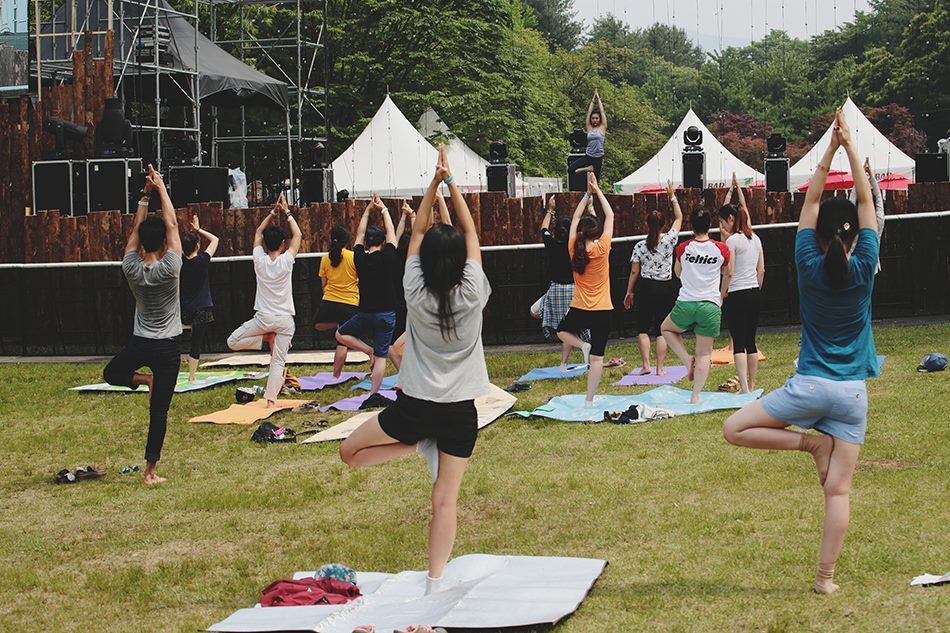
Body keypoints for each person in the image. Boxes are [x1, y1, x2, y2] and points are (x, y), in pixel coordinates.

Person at [723, 109, 878, 595]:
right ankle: (825, 581)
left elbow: (810, 199)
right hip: (851, 396)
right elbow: (866, 199)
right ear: (856, 234)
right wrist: (851, 148)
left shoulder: (807, 259)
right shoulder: (866, 262)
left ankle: (811, 443)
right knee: (839, 491)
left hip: (809, 389)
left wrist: (828, 149)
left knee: (734, 428)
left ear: (819, 234)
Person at [340, 144, 491, 598]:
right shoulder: (474, 292)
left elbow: (419, 233)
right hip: (460, 413)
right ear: (462, 259)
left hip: (416, 409)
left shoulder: (413, 289)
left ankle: (414, 443)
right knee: (444, 501)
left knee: (349, 453)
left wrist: (432, 184)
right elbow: (469, 230)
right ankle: (434, 584)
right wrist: (451, 184)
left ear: (423, 261)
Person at [102, 165, 182, 485]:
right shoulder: (171, 267)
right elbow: (173, 224)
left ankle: (141, 379)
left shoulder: (130, 266)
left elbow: (134, 233)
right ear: (164, 242)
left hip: (140, 342)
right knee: (158, 412)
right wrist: (161, 187)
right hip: (167, 347)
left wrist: (145, 195)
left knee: (112, 374)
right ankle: (150, 472)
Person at [227, 193, 302, 407]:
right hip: (284, 320)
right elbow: (298, 234)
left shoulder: (259, 260)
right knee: (278, 362)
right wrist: (286, 212)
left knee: (232, 342)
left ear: (267, 245)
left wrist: (272, 212)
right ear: (283, 243)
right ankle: (270, 400)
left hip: (264, 319)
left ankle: (264, 340)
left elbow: (259, 232)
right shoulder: (287, 260)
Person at [660, 204, 730, 404]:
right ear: (710, 225)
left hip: (687, 302)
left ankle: (685, 359)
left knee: (666, 329)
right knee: (705, 353)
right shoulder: (721, 249)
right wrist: (719, 294)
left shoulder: (683, 248)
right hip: (709, 304)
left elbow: (678, 272)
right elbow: (728, 273)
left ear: (691, 226)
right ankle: (696, 395)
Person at [557, 173, 615, 405]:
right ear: (596, 231)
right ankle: (589, 400)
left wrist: (586, 195)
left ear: (580, 231)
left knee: (562, 331)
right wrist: (597, 191)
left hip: (580, 306)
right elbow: (609, 214)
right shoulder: (603, 247)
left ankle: (583, 345)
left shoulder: (574, 246)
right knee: (597, 359)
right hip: (603, 309)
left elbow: (575, 216)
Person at [333, 193, 398, 401]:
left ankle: (366, 350)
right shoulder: (389, 256)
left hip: (365, 312)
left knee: (340, 335)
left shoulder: (359, 258)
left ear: (368, 243)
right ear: (382, 242)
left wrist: (368, 210)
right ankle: (373, 394)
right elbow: (392, 233)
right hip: (386, 314)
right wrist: (384, 210)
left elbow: (359, 235)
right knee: (380, 357)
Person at [623, 180, 683, 375]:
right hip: (665, 287)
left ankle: (646, 365)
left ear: (647, 224)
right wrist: (672, 196)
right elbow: (680, 217)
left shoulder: (640, 245)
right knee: (661, 329)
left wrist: (629, 291)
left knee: (642, 327)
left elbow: (634, 272)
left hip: (646, 287)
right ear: (663, 224)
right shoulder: (670, 240)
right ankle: (659, 368)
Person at [390, 192, 451, 370]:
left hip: (433, 314)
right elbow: (433, 227)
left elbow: (423, 230)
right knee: (396, 350)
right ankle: (411, 383)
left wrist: (432, 203)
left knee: (397, 350)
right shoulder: (424, 260)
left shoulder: (419, 260)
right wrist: (437, 201)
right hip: (426, 315)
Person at [718, 172, 764, 393]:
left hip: (737, 293)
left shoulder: (733, 241)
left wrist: (721, 293)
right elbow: (761, 269)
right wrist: (757, 288)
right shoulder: (756, 239)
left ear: (732, 220)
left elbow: (729, 271)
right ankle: (752, 384)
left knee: (738, 341)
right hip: (754, 292)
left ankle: (745, 387)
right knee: (751, 341)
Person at [529, 194, 590, 357]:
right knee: (571, 328)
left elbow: (543, 229)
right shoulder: (578, 246)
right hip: (575, 290)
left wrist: (550, 211)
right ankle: (579, 351)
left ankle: (578, 350)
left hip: (556, 291)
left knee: (540, 315)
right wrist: (589, 207)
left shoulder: (552, 244)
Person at [313, 224, 360, 371]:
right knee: (343, 342)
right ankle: (336, 374)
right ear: (347, 241)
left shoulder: (325, 259)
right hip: (349, 302)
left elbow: (323, 284)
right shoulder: (353, 257)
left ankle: (336, 374)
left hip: (330, 299)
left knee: (317, 324)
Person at [179, 214, 219, 382]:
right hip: (201, 308)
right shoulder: (202, 261)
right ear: (197, 245)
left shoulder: (179, 263)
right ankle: (192, 375)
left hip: (183, 308)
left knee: (175, 339)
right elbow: (215, 240)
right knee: (196, 342)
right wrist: (198, 229)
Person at [848, 157, 885, 275]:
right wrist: (871, 176)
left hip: (854, 265)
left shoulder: (853, 223)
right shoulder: (877, 222)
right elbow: (878, 197)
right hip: (871, 267)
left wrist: (861, 176)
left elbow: (851, 201)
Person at [568, 88, 607, 179]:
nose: (594, 120)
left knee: (596, 183)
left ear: (600, 119)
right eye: (593, 118)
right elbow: (589, 112)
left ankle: (591, 172)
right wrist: (593, 100)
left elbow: (602, 112)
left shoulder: (602, 128)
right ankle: (588, 169)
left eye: (597, 118)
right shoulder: (589, 127)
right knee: (570, 170)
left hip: (598, 158)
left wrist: (599, 99)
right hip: (588, 156)